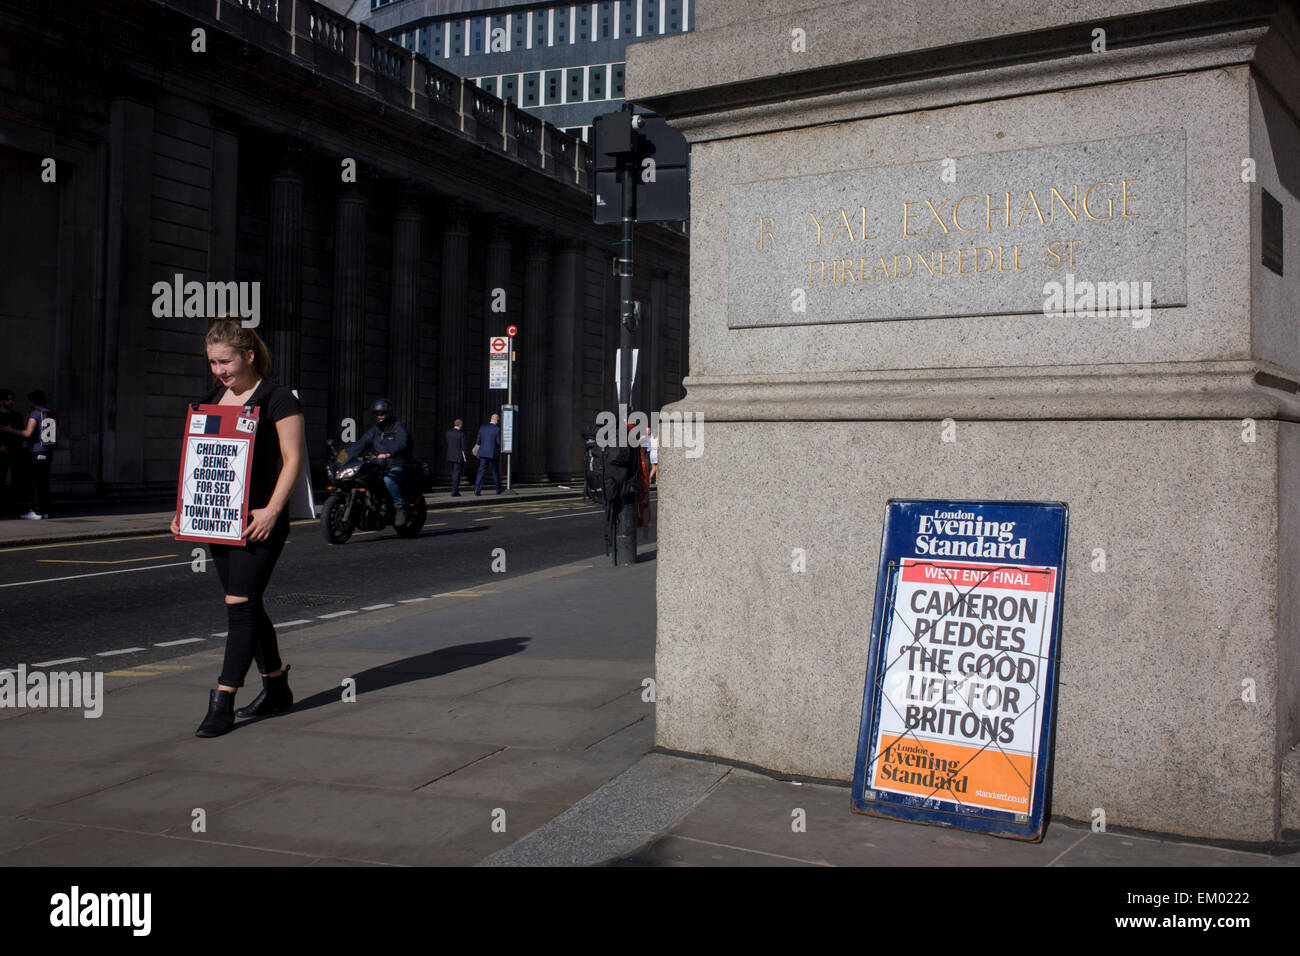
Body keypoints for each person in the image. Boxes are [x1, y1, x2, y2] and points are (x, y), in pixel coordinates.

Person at [171, 318, 304, 738]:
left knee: (239, 604)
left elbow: (293, 460)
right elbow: (201, 461)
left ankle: (222, 701)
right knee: (248, 604)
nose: (219, 371)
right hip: (218, 519)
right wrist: (186, 509)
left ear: (248, 355)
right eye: (212, 363)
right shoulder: (211, 399)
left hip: (259, 522)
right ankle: (277, 688)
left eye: (225, 361)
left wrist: (270, 511)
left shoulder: (277, 399)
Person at [348, 398, 414, 525]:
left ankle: (400, 507)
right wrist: (344, 456)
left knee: (388, 480)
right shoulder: (375, 430)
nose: (379, 416)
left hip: (397, 464)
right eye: (377, 414)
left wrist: (389, 453)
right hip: (379, 465)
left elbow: (402, 443)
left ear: (388, 414)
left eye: (382, 414)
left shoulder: (398, 427)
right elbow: (361, 443)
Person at [4, 390, 54, 520]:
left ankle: (36, 511)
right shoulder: (50, 413)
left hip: (36, 451)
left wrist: (9, 429)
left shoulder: (35, 414)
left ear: (33, 402)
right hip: (48, 451)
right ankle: (44, 510)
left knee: (35, 483)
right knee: (44, 482)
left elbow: (27, 433)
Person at [0, 390, 26, 517]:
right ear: (2, 401)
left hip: (15, 451)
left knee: (17, 479)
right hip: (1, 452)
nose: (11, 402)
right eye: (8, 399)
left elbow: (22, 432)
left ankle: (15, 505)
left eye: (12, 399)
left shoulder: (17, 416)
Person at [474, 412, 503, 496]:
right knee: (495, 472)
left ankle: (477, 489)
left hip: (483, 453)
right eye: (498, 420)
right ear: (497, 420)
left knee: (481, 472)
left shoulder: (482, 428)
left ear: (491, 419)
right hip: (492, 454)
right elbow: (498, 442)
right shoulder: (497, 429)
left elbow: (478, 441)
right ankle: (498, 489)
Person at [445, 418, 468, 496]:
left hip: (450, 455)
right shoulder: (461, 434)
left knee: (453, 473)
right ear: (460, 425)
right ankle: (454, 491)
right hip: (458, 457)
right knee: (457, 474)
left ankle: (455, 490)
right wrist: (465, 457)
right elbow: (463, 447)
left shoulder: (448, 433)